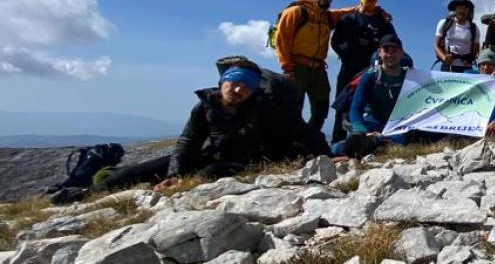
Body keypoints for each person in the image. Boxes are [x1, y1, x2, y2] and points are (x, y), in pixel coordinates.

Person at [93, 61, 330, 192]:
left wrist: (328, 156)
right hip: (208, 155)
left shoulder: (263, 108)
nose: (239, 90)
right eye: (235, 82)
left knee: (207, 174)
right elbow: (187, 141)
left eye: (247, 86)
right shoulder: (204, 107)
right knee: (133, 173)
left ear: (254, 90)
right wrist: (175, 173)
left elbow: (305, 132)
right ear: (223, 81)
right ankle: (86, 193)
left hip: (244, 162)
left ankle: (173, 187)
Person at [273, 0, 353, 131]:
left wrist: (375, 9)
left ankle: (311, 138)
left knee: (321, 109)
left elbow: (346, 11)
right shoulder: (296, 11)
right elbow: (281, 40)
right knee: (293, 108)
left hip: (318, 70)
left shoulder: (328, 17)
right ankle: (292, 141)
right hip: (297, 67)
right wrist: (288, 68)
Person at [330, 0, 398, 143]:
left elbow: (394, 42)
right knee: (343, 106)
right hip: (349, 68)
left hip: (374, 72)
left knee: (371, 107)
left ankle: (369, 141)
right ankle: (337, 143)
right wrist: (349, 52)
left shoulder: (383, 22)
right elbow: (336, 41)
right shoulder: (348, 19)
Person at [335, 34, 410, 160]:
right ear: (379, 52)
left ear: (402, 54)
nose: (390, 55)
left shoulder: (410, 77)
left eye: (395, 51)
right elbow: (355, 109)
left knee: (402, 138)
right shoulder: (370, 76)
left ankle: (371, 145)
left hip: (396, 126)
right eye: (386, 50)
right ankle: (376, 145)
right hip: (371, 123)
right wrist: (360, 130)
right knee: (345, 145)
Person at [435, 0, 480, 72]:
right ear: (455, 10)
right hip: (448, 66)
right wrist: (444, 57)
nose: (462, 11)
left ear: (468, 11)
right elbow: (436, 45)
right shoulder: (444, 23)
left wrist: (470, 59)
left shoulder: (474, 28)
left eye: (465, 9)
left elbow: (476, 49)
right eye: (459, 8)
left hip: (466, 67)